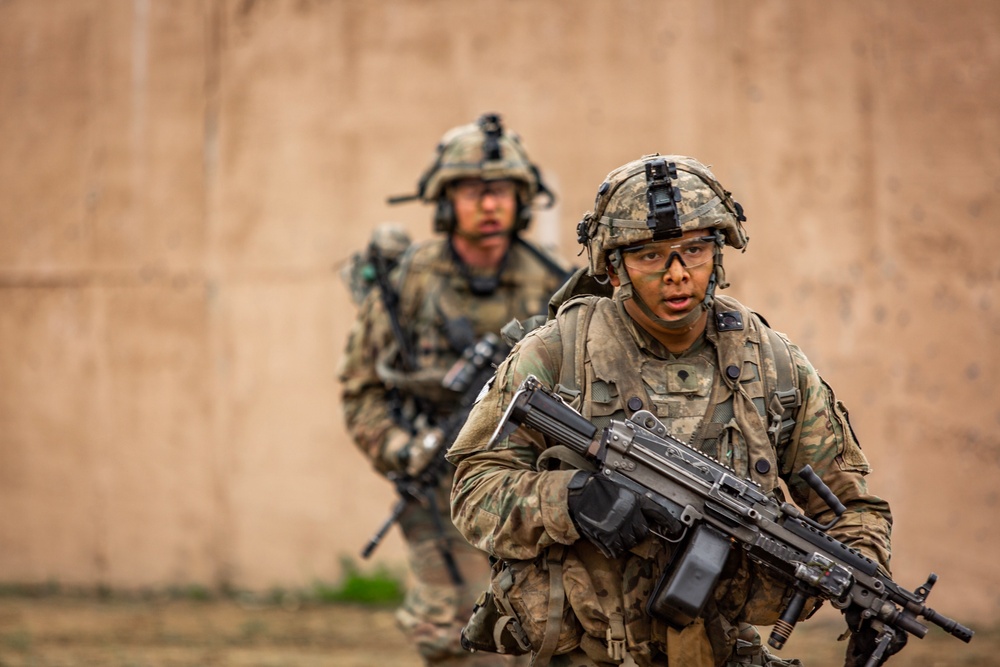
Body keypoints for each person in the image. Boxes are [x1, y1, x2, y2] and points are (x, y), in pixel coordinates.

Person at [447, 154, 900, 667]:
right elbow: (473, 492)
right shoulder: (557, 354)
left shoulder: (772, 364)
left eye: (695, 250)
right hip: (586, 653)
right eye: (650, 256)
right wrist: (571, 500)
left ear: (719, 253)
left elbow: (852, 505)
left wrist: (865, 583)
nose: (678, 274)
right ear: (614, 266)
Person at [339, 113, 571, 667]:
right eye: (472, 191)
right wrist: (399, 448)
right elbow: (361, 389)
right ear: (445, 203)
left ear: (523, 200)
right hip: (435, 478)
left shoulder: (554, 286)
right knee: (451, 632)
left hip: (528, 477)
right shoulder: (408, 283)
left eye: (503, 192)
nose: (489, 205)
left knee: (542, 630)